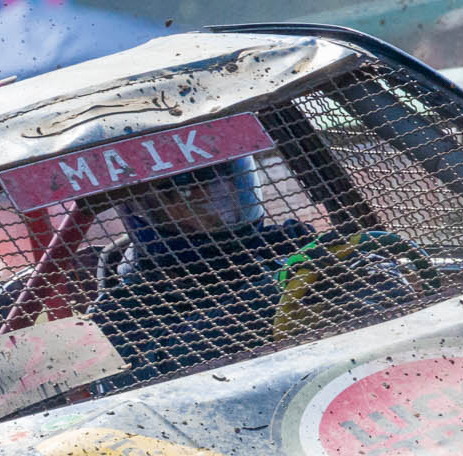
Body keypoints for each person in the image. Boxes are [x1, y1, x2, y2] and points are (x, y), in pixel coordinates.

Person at [72, 160, 322, 380]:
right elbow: (164, 363)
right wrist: (273, 292)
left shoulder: (285, 245)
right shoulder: (113, 316)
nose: (220, 209)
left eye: (225, 187)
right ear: (144, 211)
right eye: (188, 194)